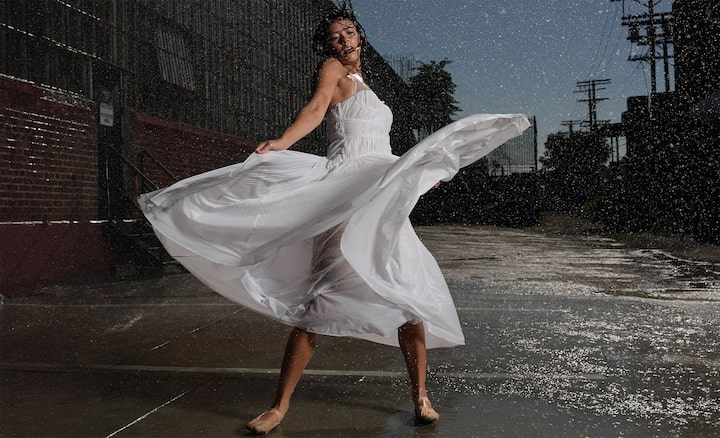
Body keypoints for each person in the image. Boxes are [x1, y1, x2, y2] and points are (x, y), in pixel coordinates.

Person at [139, 8, 529, 436]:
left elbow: (376, 149)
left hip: (378, 197)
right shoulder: (332, 70)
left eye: (348, 32)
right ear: (327, 47)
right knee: (316, 304)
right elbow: (315, 109)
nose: (343, 40)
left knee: (407, 296)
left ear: (358, 35)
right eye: (334, 36)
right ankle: (278, 406)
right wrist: (285, 140)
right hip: (343, 193)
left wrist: (413, 174)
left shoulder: (370, 88)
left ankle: (420, 398)